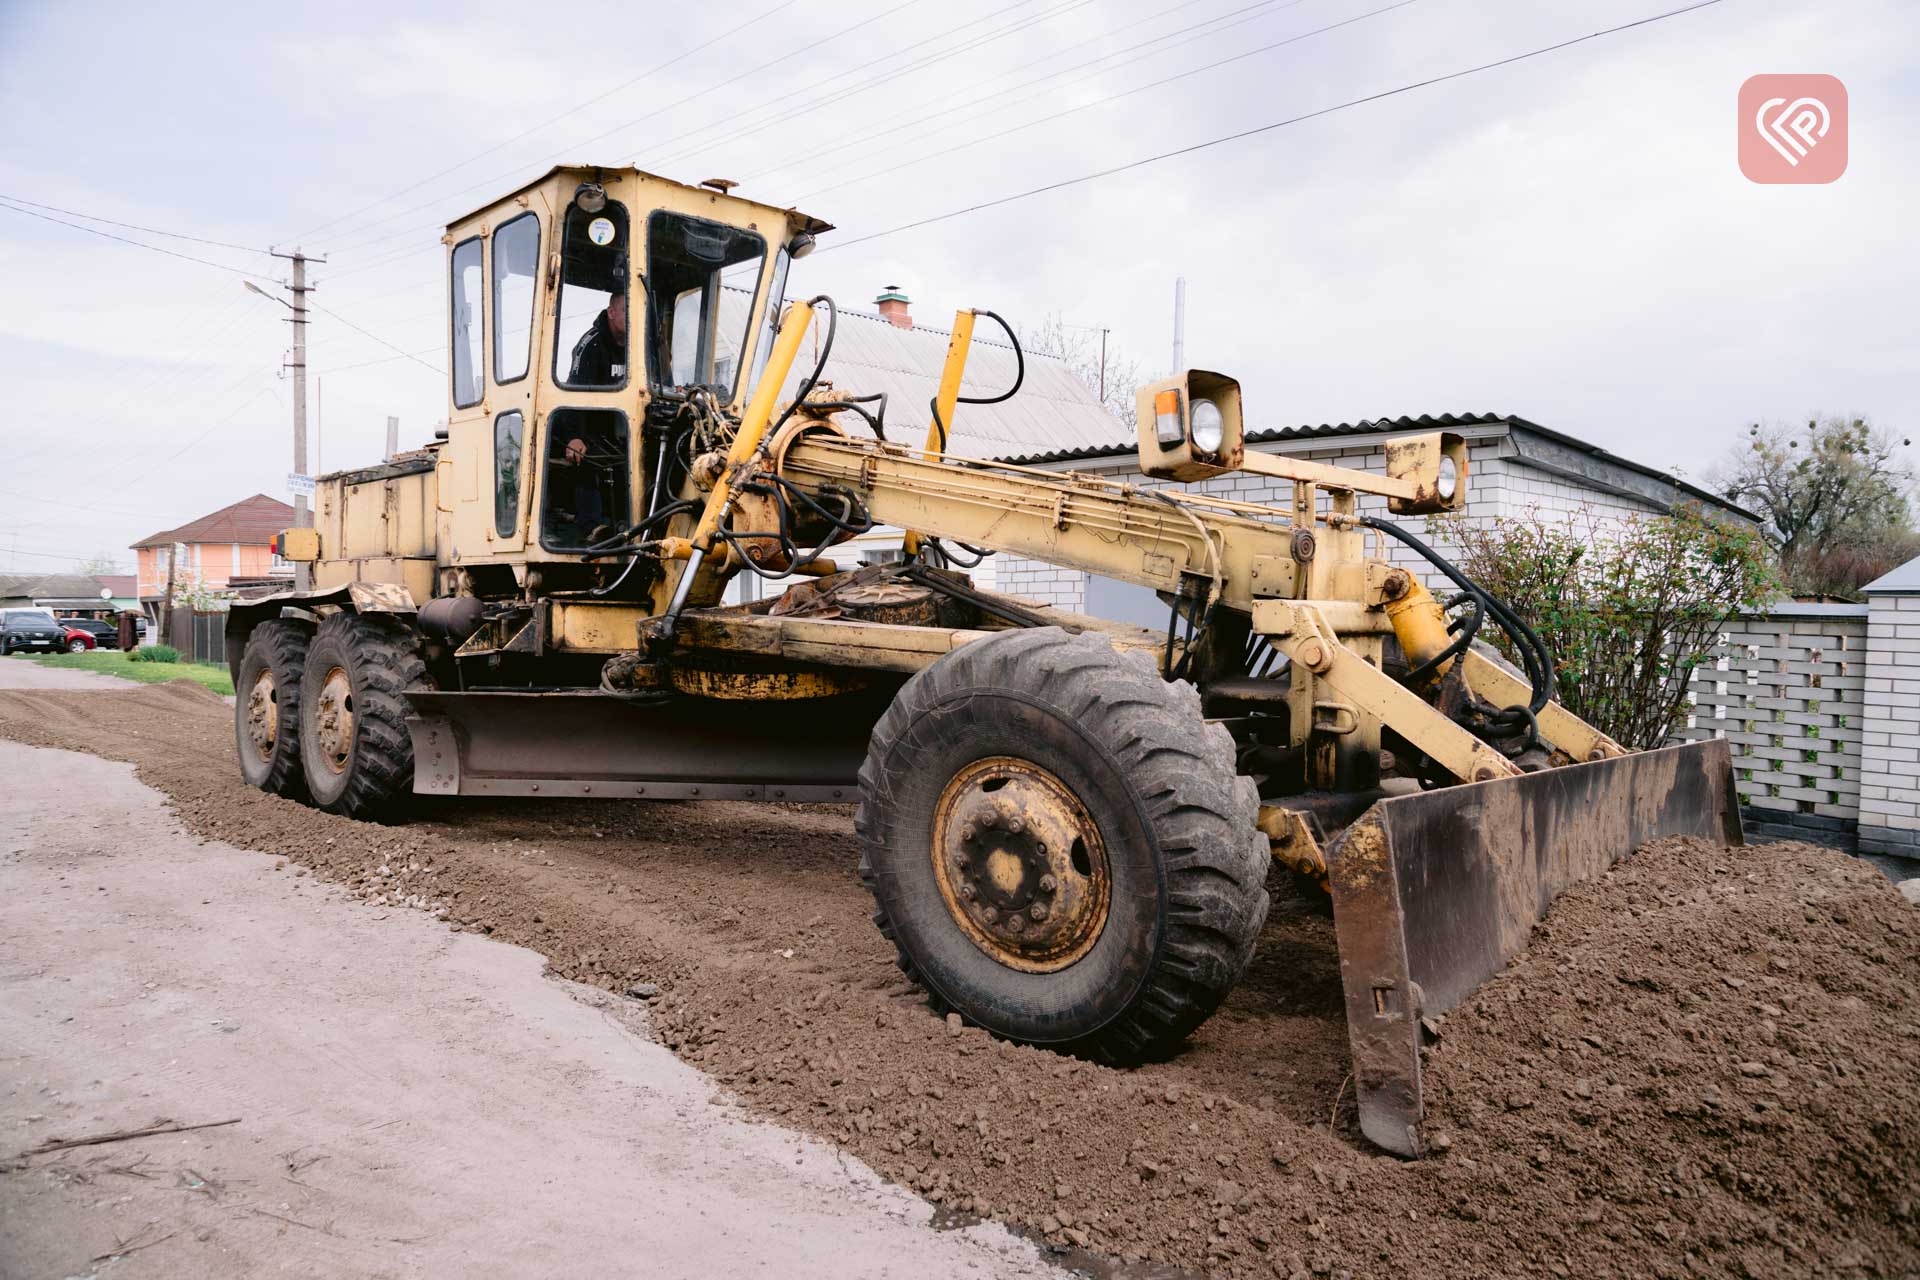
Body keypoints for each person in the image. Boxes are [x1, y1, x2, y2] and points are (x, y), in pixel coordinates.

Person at [567, 285, 627, 385]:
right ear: (611, 313)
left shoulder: (640, 343)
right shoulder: (591, 344)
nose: (632, 316)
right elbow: (577, 390)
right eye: (626, 310)